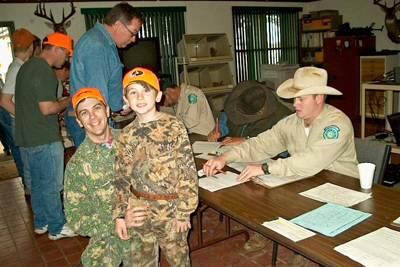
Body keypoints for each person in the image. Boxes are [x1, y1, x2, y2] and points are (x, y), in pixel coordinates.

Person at [203, 67, 359, 265]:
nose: (295, 104)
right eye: (294, 98)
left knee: (270, 183)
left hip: (342, 190)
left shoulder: (336, 124)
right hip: (308, 182)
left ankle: (306, 249)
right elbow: (261, 144)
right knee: (261, 190)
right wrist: (226, 156)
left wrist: (266, 168)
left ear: (319, 98)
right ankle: (275, 231)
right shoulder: (292, 123)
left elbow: (311, 161)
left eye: (301, 99)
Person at [113, 67, 198, 267]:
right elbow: (121, 177)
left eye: (146, 90)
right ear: (126, 99)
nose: (140, 97)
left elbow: (187, 171)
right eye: (133, 92)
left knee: (179, 262)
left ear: (158, 95)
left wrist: (184, 212)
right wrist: (119, 215)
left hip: (171, 212)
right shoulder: (126, 134)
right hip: (138, 213)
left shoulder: (174, 126)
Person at [64, 87, 148, 266]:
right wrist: (116, 221)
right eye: (84, 113)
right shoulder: (77, 166)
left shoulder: (131, 142)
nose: (92, 117)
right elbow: (75, 218)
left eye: (96, 108)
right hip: (106, 240)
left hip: (142, 233)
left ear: (107, 110)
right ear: (79, 121)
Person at [15, 32, 77, 240]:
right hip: (44, 137)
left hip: (27, 137)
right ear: (57, 50)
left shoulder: (27, 67)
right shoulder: (43, 70)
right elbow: (47, 108)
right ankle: (57, 227)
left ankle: (41, 222)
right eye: (66, 54)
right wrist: (67, 101)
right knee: (52, 185)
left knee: (39, 184)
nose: (66, 59)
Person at [67, 3, 143, 148]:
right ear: (118, 24)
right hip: (94, 122)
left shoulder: (102, 42)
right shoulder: (98, 46)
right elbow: (96, 98)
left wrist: (120, 103)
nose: (134, 39)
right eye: (133, 32)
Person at [0, 28, 35, 196]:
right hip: (16, 120)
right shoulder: (17, 68)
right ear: (31, 47)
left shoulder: (19, 66)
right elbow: (5, 101)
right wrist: (25, 118)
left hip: (16, 119)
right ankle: (30, 193)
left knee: (25, 159)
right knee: (25, 160)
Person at [207, 81, 292, 146]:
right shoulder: (239, 104)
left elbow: (282, 146)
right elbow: (224, 122)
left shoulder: (283, 117)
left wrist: (247, 140)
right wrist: (218, 131)